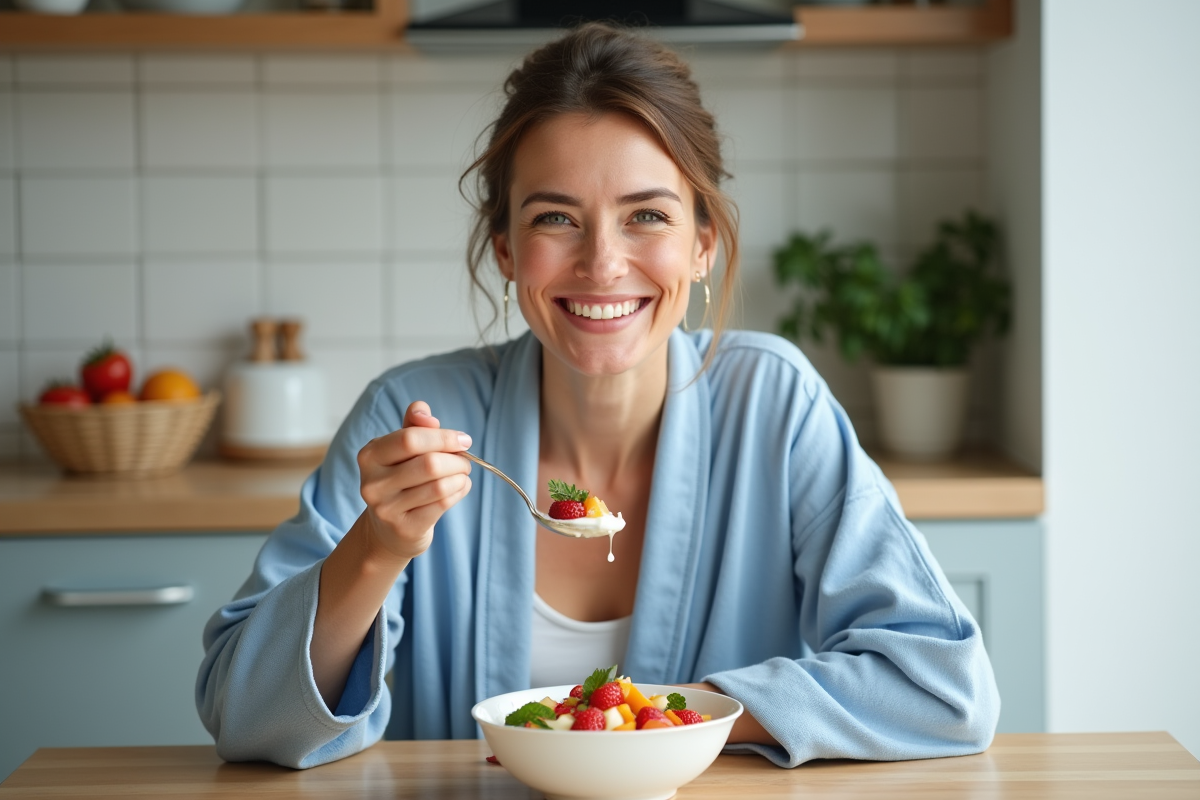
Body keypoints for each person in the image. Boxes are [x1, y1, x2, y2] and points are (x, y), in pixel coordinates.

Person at [196, 22, 1000, 770]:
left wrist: (663, 720)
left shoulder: (775, 406)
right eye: (557, 219)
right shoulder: (413, 415)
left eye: (646, 215)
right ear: (507, 249)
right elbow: (245, 716)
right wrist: (375, 550)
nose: (603, 264)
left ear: (702, 245)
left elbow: (945, 689)